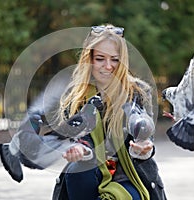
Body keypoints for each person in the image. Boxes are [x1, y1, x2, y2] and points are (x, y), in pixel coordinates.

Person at [52, 24, 167, 200]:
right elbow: (74, 137)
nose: (108, 66)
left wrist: (144, 148)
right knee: (77, 171)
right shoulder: (76, 95)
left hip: (130, 173)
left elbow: (146, 135)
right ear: (89, 59)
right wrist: (79, 148)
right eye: (100, 59)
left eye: (114, 59)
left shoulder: (138, 91)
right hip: (90, 169)